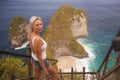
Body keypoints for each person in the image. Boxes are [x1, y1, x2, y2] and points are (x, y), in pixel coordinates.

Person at [29, 16, 57, 80]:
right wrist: (45, 70)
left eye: (41, 24)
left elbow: (33, 49)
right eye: (37, 25)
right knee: (54, 73)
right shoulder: (37, 40)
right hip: (40, 61)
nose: (40, 26)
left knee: (37, 77)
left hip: (34, 59)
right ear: (32, 26)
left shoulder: (32, 35)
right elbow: (39, 57)